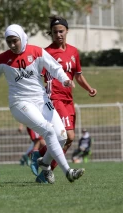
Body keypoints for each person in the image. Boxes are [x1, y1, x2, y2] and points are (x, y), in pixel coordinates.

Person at [0, 23, 85, 184]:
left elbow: (55, 67)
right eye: (8, 41)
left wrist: (65, 79)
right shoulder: (2, 59)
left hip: (41, 99)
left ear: (22, 38)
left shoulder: (37, 51)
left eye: (14, 40)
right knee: (49, 131)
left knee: (62, 136)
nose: (11, 45)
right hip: (20, 103)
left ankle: (44, 163)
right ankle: (68, 172)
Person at [31, 15, 97, 176]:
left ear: (67, 31)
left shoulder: (74, 51)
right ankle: (40, 157)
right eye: (55, 32)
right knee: (68, 135)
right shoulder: (47, 52)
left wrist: (89, 88)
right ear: (51, 34)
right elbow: (38, 75)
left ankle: (45, 170)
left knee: (68, 140)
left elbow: (78, 75)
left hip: (68, 100)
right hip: (55, 98)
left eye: (61, 31)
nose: (58, 34)